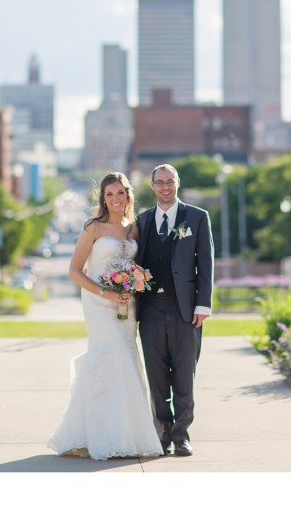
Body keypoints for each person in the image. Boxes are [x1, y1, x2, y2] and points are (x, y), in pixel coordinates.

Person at [47, 172, 163, 460]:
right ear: (102, 198)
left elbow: (138, 266)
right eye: (109, 194)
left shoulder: (133, 229)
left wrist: (134, 284)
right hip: (99, 303)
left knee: (127, 359)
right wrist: (105, 293)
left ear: (128, 196)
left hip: (127, 303)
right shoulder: (93, 228)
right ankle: (100, 435)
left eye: (120, 193)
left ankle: (129, 435)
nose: (115, 199)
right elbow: (75, 271)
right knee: (107, 357)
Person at [135, 164, 214, 457]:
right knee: (157, 376)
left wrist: (203, 304)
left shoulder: (197, 217)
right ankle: (162, 434)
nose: (165, 187)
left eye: (170, 182)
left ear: (178, 183)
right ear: (152, 186)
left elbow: (205, 264)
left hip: (186, 309)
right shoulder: (141, 221)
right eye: (160, 183)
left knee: (184, 374)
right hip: (151, 309)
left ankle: (181, 435)